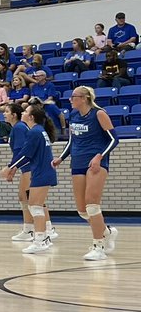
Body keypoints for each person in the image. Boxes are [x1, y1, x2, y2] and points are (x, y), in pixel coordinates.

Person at [53, 86, 119, 261]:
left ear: (84, 98)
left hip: (96, 163)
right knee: (82, 210)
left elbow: (114, 139)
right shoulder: (73, 116)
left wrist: (99, 156)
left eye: (73, 97)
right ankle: (107, 231)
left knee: (92, 205)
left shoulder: (99, 114)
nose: (70, 100)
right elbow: (71, 141)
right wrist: (61, 158)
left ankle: (99, 246)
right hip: (78, 162)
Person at [1, 102, 58, 254]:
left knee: (35, 205)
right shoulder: (38, 130)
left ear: (31, 117)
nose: (23, 113)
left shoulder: (34, 132)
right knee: (34, 204)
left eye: (25, 111)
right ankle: (43, 236)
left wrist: (10, 167)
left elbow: (25, 154)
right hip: (42, 170)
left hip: (40, 171)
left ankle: (40, 238)